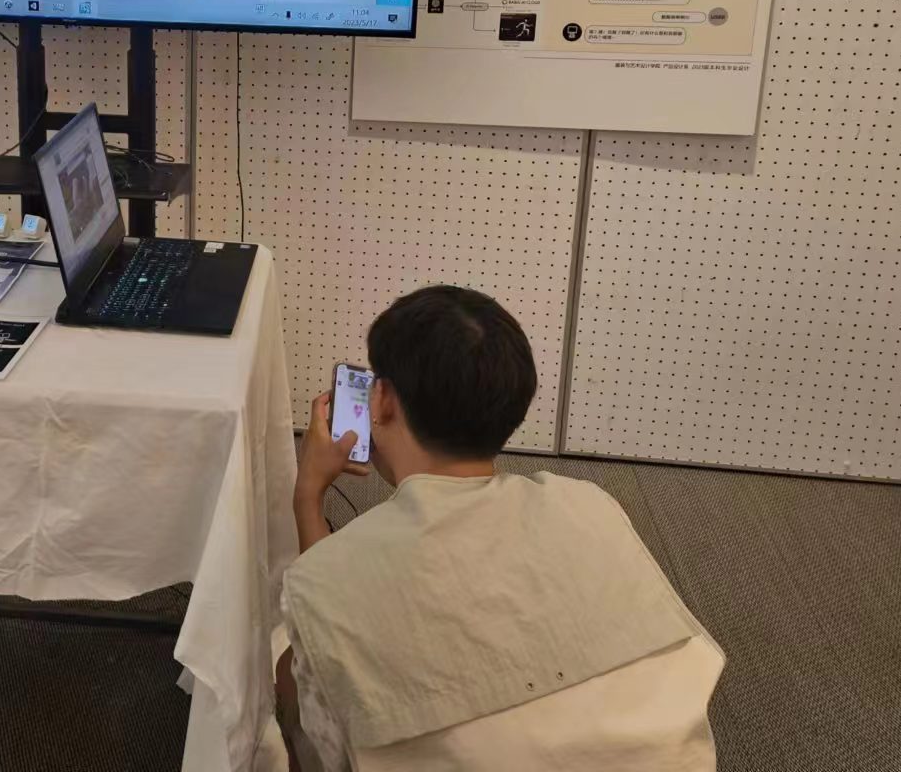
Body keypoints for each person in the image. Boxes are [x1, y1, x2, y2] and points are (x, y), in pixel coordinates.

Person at [278, 286, 723, 772]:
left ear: (381, 401)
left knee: (288, 667)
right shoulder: (588, 502)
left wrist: (308, 495)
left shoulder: (326, 575)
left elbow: (321, 661)